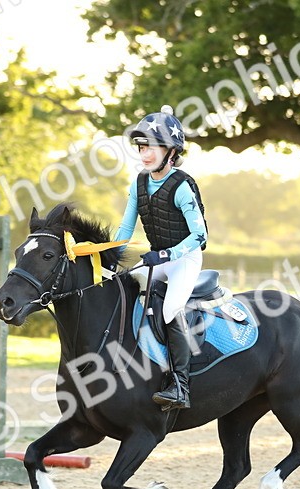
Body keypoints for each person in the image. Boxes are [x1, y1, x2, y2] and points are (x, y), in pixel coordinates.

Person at [115, 105, 209, 411]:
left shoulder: (182, 186)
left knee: (170, 309)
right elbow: (125, 230)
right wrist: (104, 255)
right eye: (141, 147)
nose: (144, 154)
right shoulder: (138, 183)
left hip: (185, 259)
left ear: (171, 151)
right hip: (158, 259)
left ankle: (180, 385)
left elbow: (200, 236)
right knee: (124, 287)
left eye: (151, 147)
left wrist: (167, 254)